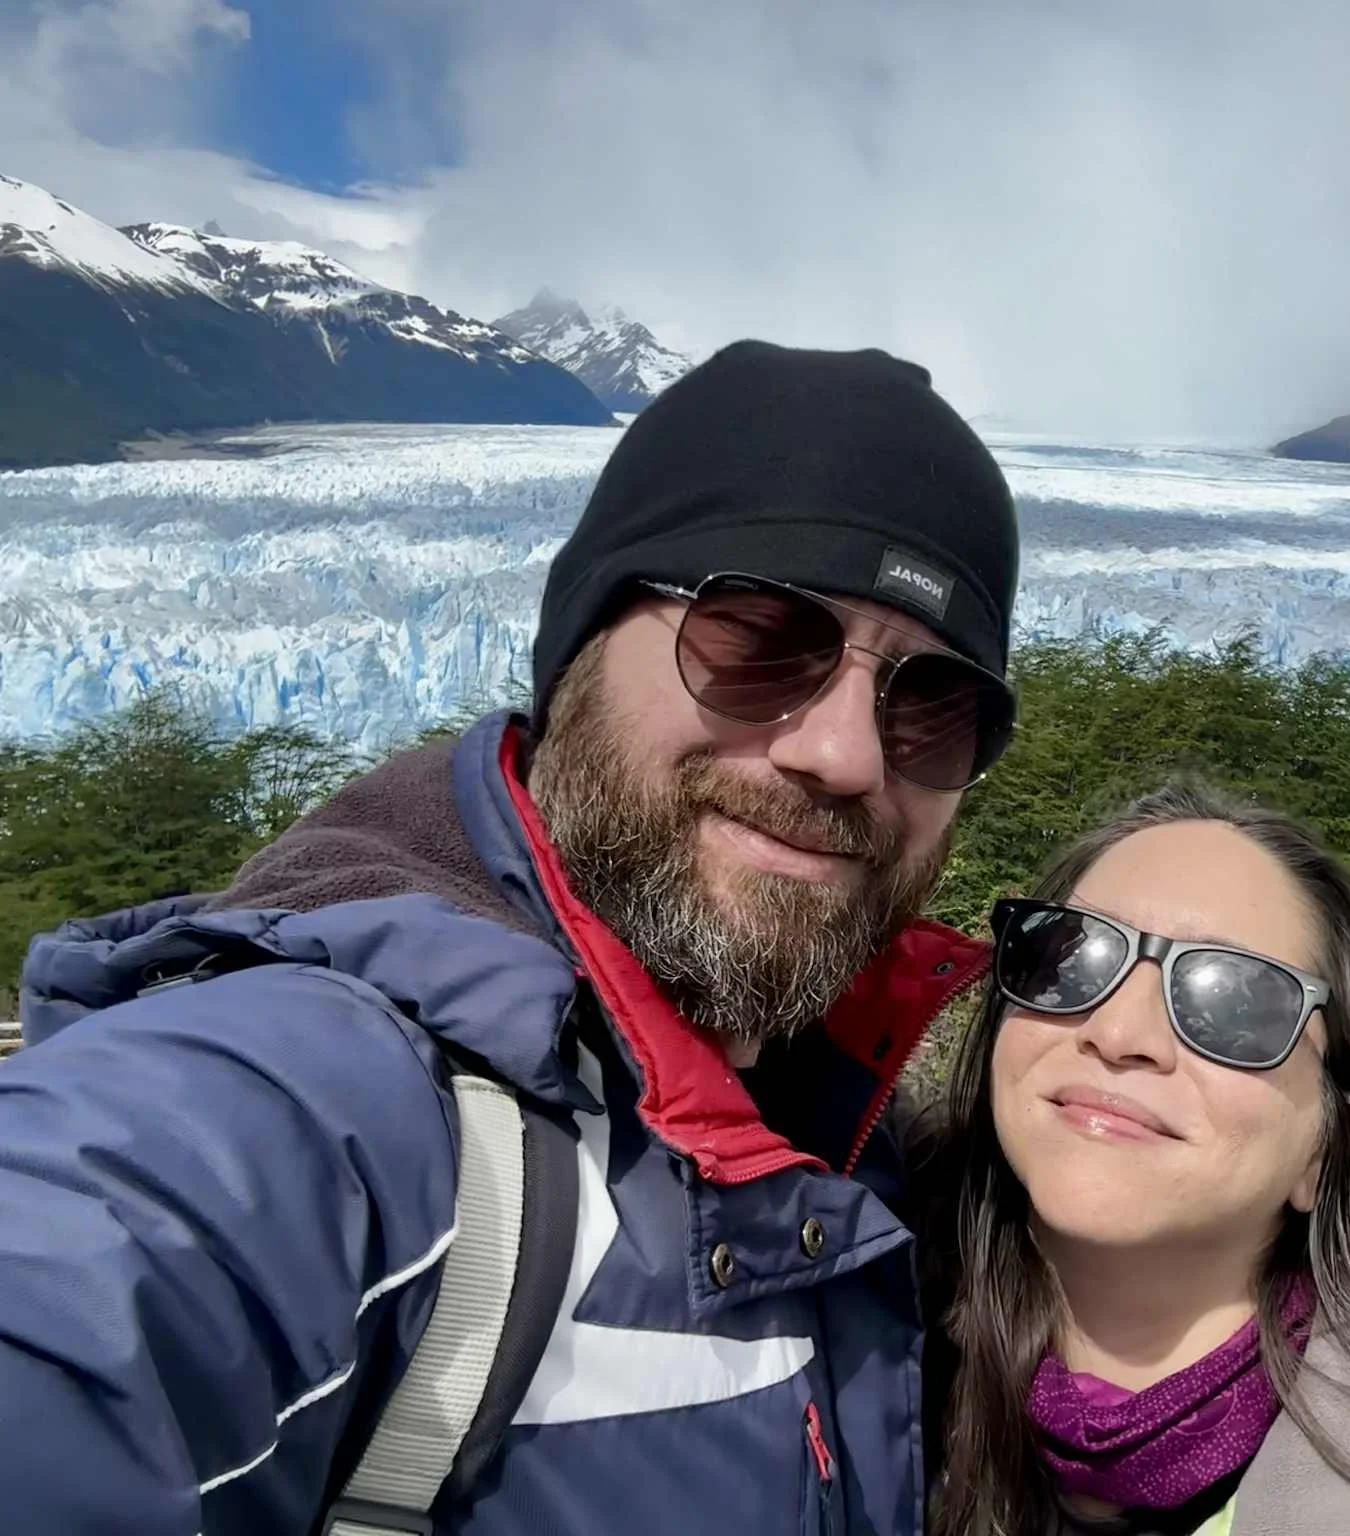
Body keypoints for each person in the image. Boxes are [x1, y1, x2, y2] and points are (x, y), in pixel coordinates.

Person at [0, 341, 1019, 1535]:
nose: (842, 754)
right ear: (577, 654)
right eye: (758, 641)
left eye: (936, 705)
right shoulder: (333, 1096)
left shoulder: (848, 1123)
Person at [916, 784, 1350, 1536]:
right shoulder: (850, 1322)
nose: (1119, 1030)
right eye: (1070, 954)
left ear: (1328, 1145)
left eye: (1235, 1002)